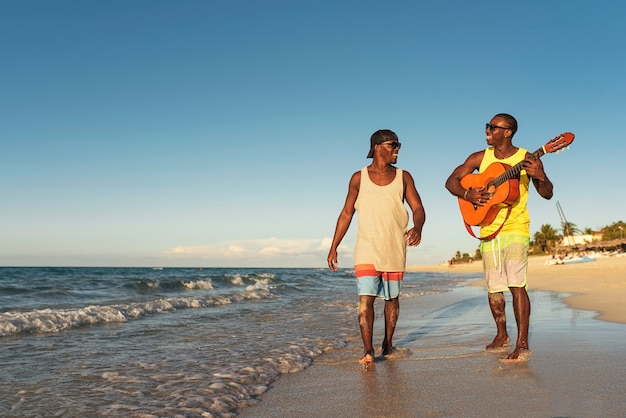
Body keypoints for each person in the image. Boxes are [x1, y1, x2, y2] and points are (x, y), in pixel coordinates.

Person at [445, 113, 553, 360]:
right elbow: (451, 181)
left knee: (516, 283)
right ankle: (501, 334)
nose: (487, 130)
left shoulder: (525, 158)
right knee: (494, 289)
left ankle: (522, 343)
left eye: (493, 127)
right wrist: (467, 194)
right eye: (487, 126)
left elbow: (547, 194)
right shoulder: (479, 157)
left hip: (516, 227)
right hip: (488, 228)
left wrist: (541, 176)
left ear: (508, 132)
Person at [327, 129, 426, 365]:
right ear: (378, 147)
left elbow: (418, 208)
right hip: (366, 248)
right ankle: (368, 350)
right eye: (394, 145)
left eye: (398, 145)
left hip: (394, 247)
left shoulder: (404, 177)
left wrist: (418, 227)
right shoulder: (358, 178)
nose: (397, 149)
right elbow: (346, 213)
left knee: (392, 300)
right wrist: (334, 247)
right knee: (366, 300)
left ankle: (388, 344)